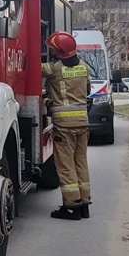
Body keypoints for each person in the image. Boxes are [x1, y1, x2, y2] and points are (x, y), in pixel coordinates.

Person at [41, 31, 92, 220]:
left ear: (59, 52)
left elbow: (32, 68)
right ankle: (84, 204)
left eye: (53, 49)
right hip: (82, 123)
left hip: (64, 125)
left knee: (66, 165)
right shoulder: (84, 67)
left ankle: (71, 207)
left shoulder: (53, 68)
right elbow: (87, 90)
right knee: (81, 162)